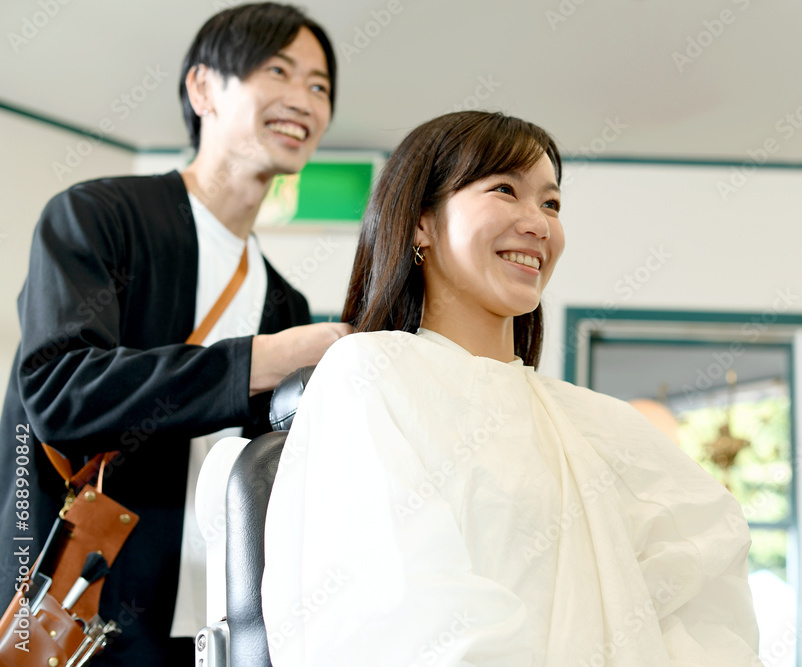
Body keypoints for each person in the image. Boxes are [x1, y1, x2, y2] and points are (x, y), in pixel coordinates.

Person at [262, 111, 762, 665]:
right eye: (505, 189)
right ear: (422, 223)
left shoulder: (595, 423)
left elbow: (701, 590)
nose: (539, 224)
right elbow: (402, 609)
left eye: (551, 203)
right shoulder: (370, 373)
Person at [0, 3, 350, 664]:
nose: (304, 100)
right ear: (202, 88)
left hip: (220, 619)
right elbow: (57, 392)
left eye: (319, 86)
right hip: (86, 610)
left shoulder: (286, 300)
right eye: (278, 71)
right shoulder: (98, 217)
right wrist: (262, 359)